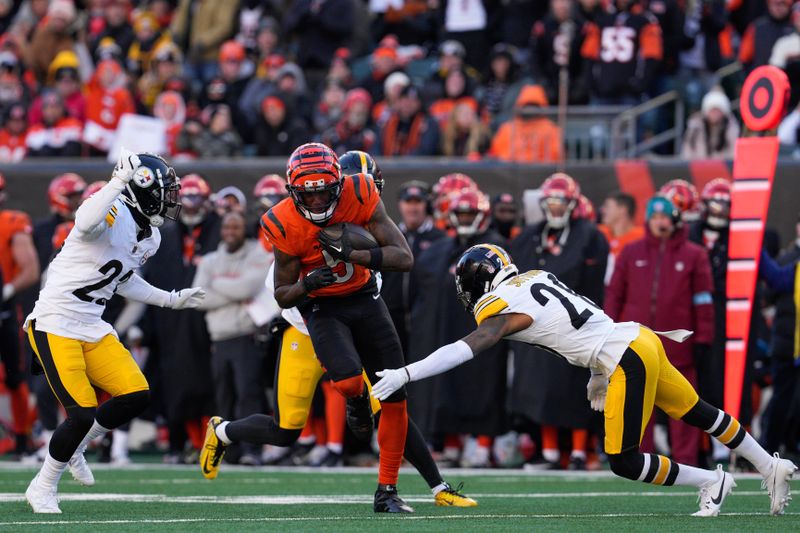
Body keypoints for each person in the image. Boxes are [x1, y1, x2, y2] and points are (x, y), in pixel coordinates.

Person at [372, 243, 798, 517]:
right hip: (636, 338)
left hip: (626, 355)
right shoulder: (535, 277)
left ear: (478, 282)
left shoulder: (500, 305)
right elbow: (584, 321)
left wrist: (406, 372)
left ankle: (712, 480)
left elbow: (467, 347)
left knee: (624, 460)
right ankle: (769, 464)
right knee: (699, 412)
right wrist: (598, 371)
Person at [201, 144, 462, 513]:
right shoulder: (285, 222)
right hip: (304, 324)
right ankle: (223, 431)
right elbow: (284, 296)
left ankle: (434, 485)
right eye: (311, 191)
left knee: (389, 400)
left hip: (356, 309)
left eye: (328, 189)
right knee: (286, 431)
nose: (321, 199)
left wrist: (355, 254)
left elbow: (402, 258)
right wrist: (310, 286)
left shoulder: (363, 200)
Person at [23, 150, 205, 513]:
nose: (170, 199)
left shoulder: (150, 236)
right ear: (141, 187)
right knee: (80, 414)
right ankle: (42, 486)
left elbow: (121, 279)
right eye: (165, 191)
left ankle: (77, 447)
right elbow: (86, 221)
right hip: (56, 320)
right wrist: (118, 181)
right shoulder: (110, 207)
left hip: (91, 323)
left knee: (135, 394)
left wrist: (170, 300)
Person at [605, 196, 714, 467]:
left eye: (664, 217)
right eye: (654, 218)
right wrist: (607, 329)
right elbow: (614, 295)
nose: (659, 223)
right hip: (635, 343)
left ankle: (687, 459)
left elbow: (703, 300)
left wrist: (703, 338)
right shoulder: (631, 252)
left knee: (685, 404)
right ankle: (640, 460)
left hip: (679, 345)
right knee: (637, 405)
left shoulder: (694, 254)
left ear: (675, 220)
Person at [510, 173, 608, 470]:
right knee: (540, 388)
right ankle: (550, 452)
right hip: (536, 324)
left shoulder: (589, 236)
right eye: (550, 202)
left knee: (577, 388)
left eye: (560, 202)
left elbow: (595, 282)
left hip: (576, 322)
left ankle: (579, 451)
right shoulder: (529, 236)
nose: (554, 208)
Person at [407, 188, 508, 467]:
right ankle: (451, 443)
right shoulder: (440, 250)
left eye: (469, 213)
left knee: (483, 384)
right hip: (445, 327)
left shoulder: (495, 248)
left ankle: (482, 444)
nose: (464, 218)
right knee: (445, 385)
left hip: (485, 327)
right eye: (460, 213)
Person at [193, 211, 272, 465]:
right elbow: (199, 298)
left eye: (236, 227)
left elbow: (248, 287)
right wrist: (234, 290)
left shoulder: (257, 252)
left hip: (245, 337)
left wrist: (216, 283)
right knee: (223, 397)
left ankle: (252, 450)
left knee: (249, 394)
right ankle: (228, 450)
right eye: (227, 227)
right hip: (219, 338)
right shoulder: (210, 260)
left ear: (243, 229)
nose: (230, 231)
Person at [0, 173, 40, 455]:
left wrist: (6, 289)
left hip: (2, 309)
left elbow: (30, 268)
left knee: (15, 376)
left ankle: (24, 437)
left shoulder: (12, 222)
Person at [488, 85, 562, 163]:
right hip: (510, 173)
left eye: (534, 106)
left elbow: (556, 156)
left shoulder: (550, 130)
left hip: (542, 172)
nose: (530, 109)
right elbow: (496, 154)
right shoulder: (507, 129)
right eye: (527, 105)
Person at [598, 192, 644, 284]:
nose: (603, 210)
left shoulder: (642, 237)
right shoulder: (599, 233)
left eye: (608, 207)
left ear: (623, 209)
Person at [681, 89, 739, 160]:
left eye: (718, 110)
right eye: (712, 110)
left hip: (722, 168)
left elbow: (734, 151)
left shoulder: (730, 127)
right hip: (698, 167)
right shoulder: (695, 126)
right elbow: (687, 150)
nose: (714, 114)